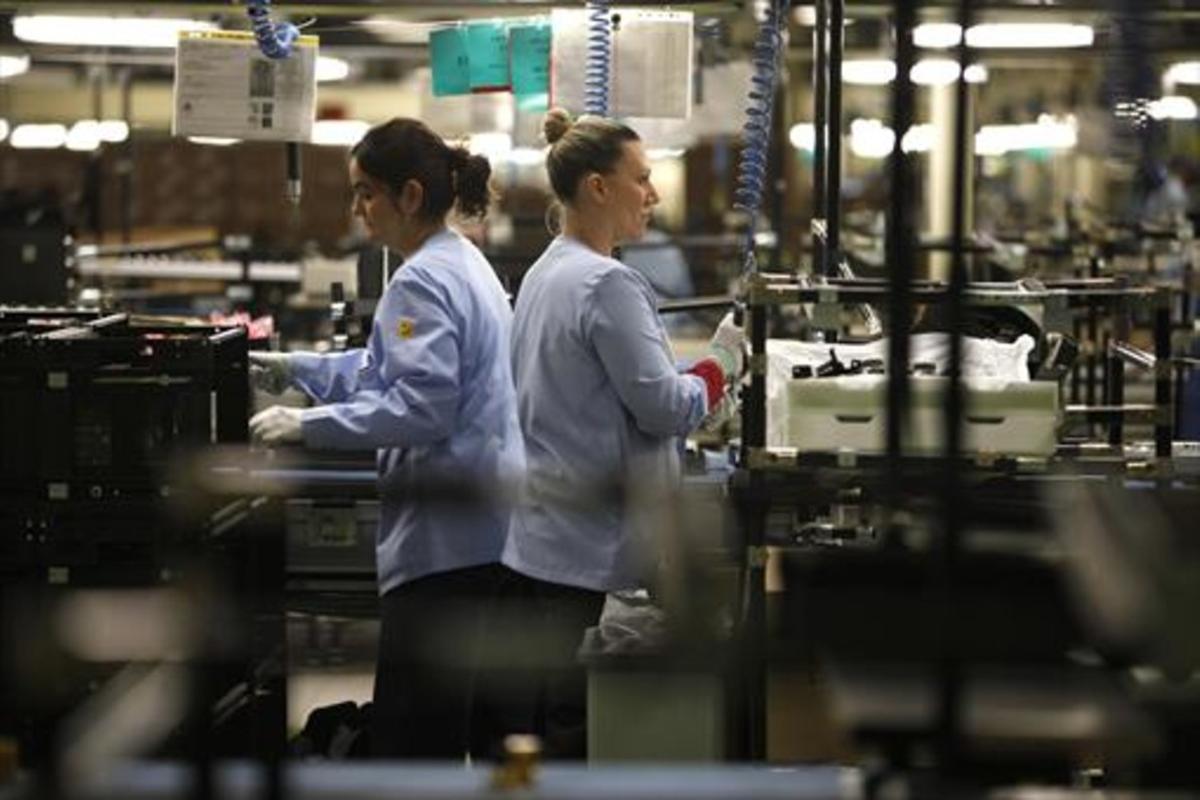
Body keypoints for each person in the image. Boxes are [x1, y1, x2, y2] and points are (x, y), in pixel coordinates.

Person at [247, 118, 523, 760]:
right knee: (450, 732)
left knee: (412, 745)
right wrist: (301, 369)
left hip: (444, 549)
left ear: (410, 196)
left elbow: (422, 408)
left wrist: (305, 425)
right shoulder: (459, 262)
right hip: (482, 535)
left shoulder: (420, 280)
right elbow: (382, 371)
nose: (357, 209)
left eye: (366, 192)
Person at [491, 109, 742, 758]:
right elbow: (664, 408)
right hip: (592, 552)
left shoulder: (547, 270)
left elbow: (617, 388)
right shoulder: (608, 282)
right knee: (583, 730)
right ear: (597, 188)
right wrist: (724, 363)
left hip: (542, 539)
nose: (654, 195)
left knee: (546, 724)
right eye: (642, 179)